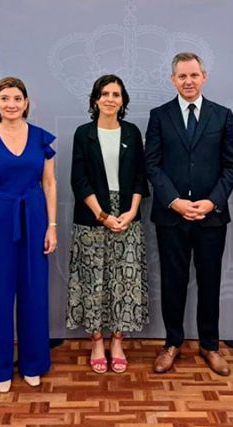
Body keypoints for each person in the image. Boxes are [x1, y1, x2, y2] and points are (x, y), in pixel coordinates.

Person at [144, 52, 233, 376]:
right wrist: (173, 201)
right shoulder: (159, 116)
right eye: (182, 76)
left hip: (211, 217)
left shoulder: (222, 115)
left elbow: (230, 166)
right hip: (172, 216)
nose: (188, 81)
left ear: (204, 76)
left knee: (210, 281)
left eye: (193, 75)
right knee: (174, 281)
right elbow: (152, 164)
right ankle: (172, 343)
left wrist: (211, 202)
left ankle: (210, 345)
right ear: (173, 79)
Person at [0, 76, 57, 392]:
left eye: (17, 98)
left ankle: (33, 363)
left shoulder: (41, 139)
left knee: (34, 293)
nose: (11, 104)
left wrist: (51, 226)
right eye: (4, 98)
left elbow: (49, 184)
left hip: (34, 219)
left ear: (26, 102)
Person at [66, 74, 150, 374]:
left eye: (116, 94)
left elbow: (141, 176)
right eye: (104, 94)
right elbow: (79, 179)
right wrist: (102, 215)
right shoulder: (83, 133)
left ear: (123, 100)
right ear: (95, 100)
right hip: (92, 216)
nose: (110, 99)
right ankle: (97, 340)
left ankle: (117, 340)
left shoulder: (132, 132)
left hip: (128, 215)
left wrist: (131, 211)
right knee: (94, 281)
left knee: (124, 281)